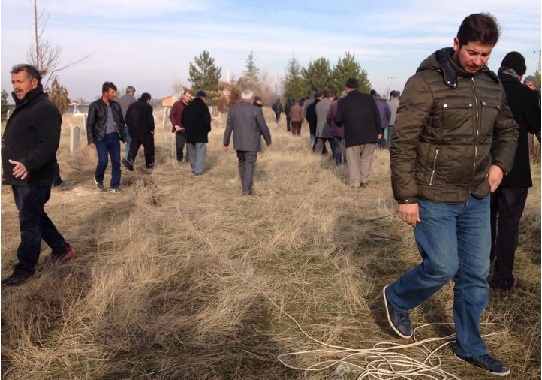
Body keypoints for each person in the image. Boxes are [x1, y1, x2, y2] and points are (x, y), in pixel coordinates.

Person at [383, 13, 518, 376]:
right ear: (457, 44)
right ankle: (397, 297)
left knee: (474, 273)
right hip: (433, 194)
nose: (478, 61)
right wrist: (406, 197)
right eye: (473, 52)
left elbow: (508, 130)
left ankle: (470, 346)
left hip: (476, 195)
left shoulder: (492, 85)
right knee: (443, 266)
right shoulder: (424, 83)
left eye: (486, 55)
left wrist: (499, 167)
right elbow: (403, 143)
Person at [1, 64, 75, 286]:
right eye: (13, 82)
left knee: (29, 222)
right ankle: (62, 249)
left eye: (20, 81)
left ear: (34, 82)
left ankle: (25, 270)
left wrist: (28, 164)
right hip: (19, 177)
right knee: (35, 216)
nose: (16, 86)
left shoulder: (44, 108)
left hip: (34, 177)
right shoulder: (26, 106)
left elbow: (48, 144)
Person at [490, 52, 541, 292]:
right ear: (520, 73)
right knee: (509, 226)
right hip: (515, 171)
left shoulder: (485, 89)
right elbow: (535, 125)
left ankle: (478, 273)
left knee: (482, 223)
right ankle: (503, 279)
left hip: (484, 169)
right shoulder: (524, 93)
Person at [333, 78, 382, 188]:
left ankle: (355, 183)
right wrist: (379, 131)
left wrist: (341, 123)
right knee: (366, 159)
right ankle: (364, 181)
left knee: (353, 161)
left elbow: (337, 119)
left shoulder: (342, 102)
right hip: (370, 135)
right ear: (357, 87)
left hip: (352, 136)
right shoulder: (369, 99)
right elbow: (377, 116)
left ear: (346, 88)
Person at [224, 90, 272, 195]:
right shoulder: (256, 110)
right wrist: (268, 140)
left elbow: (228, 127)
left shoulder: (233, 110)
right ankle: (246, 190)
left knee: (242, 163)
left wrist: (226, 142)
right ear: (251, 99)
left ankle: (244, 186)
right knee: (249, 164)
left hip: (239, 142)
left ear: (242, 98)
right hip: (252, 143)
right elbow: (263, 126)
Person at [87, 81, 127, 193]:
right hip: (101, 138)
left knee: (116, 162)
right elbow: (90, 123)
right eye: (112, 92)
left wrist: (123, 137)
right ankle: (98, 178)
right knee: (103, 161)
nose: (115, 94)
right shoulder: (95, 105)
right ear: (105, 93)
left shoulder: (116, 105)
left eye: (115, 92)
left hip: (114, 137)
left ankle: (115, 185)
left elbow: (121, 122)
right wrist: (91, 140)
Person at [123, 92, 156, 171]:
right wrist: (152, 129)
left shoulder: (131, 106)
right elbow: (150, 120)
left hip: (134, 132)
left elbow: (127, 119)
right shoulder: (147, 107)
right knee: (149, 149)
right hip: (145, 132)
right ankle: (149, 165)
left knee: (133, 149)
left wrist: (131, 129)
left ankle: (130, 163)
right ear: (147, 99)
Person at [182, 90, 211, 175]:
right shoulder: (203, 107)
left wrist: (187, 129)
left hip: (189, 134)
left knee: (191, 152)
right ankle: (198, 171)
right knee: (200, 152)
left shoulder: (188, 107)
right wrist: (207, 130)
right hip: (200, 134)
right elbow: (207, 120)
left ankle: (193, 168)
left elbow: (182, 120)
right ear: (203, 98)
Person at [169, 90, 192, 163]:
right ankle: (179, 159)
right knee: (179, 146)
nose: (188, 98)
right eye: (187, 96)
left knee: (190, 147)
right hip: (180, 130)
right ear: (183, 96)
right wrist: (175, 125)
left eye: (190, 97)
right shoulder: (177, 104)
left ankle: (188, 160)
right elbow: (172, 115)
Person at [117, 85, 137, 160]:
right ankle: (127, 159)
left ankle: (118, 159)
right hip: (129, 124)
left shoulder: (119, 100)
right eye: (133, 92)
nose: (134, 93)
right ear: (131, 92)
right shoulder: (133, 100)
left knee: (123, 142)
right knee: (129, 142)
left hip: (120, 125)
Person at [327, 93, 346, 164]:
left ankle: (338, 162)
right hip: (346, 130)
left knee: (336, 147)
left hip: (335, 129)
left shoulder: (333, 105)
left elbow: (328, 117)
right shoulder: (349, 105)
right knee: (346, 147)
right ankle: (345, 162)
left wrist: (331, 124)